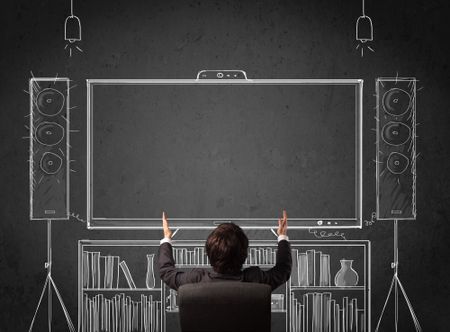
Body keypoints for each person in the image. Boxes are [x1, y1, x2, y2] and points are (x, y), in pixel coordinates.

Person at [158, 210, 292, 291]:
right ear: (245, 255)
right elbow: (283, 270)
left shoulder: (196, 280)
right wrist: (282, 236)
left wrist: (166, 238)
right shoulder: (255, 279)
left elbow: (166, 272)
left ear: (209, 254)